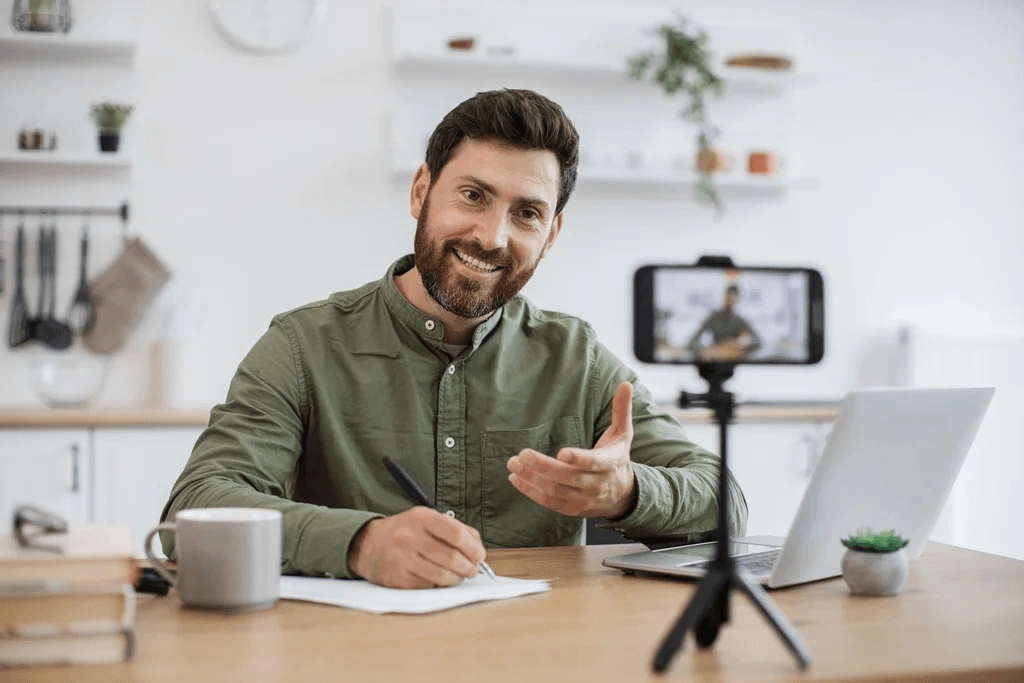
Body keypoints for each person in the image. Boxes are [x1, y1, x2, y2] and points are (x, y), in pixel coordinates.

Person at [160, 89, 747, 589]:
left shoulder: (580, 360)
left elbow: (727, 503)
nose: (492, 236)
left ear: (552, 234)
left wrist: (628, 492)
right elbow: (196, 508)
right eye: (473, 196)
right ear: (422, 191)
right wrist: (360, 543)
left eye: (527, 214)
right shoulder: (302, 345)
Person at [686, 284, 762, 362]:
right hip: (715, 360)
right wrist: (703, 352)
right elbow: (692, 342)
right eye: (729, 297)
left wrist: (740, 345)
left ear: (737, 300)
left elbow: (758, 342)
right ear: (725, 297)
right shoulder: (714, 318)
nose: (730, 300)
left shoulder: (740, 321)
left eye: (734, 298)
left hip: (734, 359)